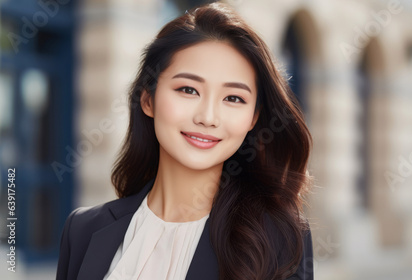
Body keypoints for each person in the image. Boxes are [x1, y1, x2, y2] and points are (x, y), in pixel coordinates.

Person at [56, 2, 314, 279]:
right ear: (148, 99)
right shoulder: (82, 229)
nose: (208, 117)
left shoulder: (279, 237)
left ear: (253, 118)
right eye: (188, 90)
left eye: (233, 98)